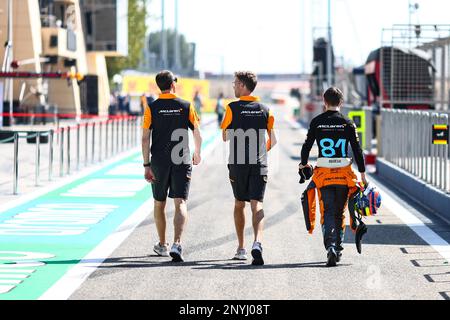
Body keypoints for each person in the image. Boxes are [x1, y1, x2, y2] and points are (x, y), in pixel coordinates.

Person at [299, 87, 367, 267]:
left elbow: (306, 146)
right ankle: (339, 247)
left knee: (327, 211)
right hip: (344, 174)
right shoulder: (348, 123)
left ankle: (330, 247)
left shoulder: (317, 121)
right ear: (341, 102)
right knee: (340, 213)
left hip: (324, 174)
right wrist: (362, 174)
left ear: (324, 101)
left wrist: (303, 164)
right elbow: (358, 151)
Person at [142, 70, 202, 262]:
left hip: (159, 160)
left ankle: (162, 244)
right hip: (181, 159)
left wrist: (146, 165)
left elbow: (145, 138)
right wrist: (197, 152)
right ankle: (177, 243)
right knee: (180, 202)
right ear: (173, 85)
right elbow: (197, 133)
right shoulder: (186, 105)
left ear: (159, 86)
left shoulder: (152, 107)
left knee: (159, 203)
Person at [221, 71, 277, 266]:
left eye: (235, 83)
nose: (234, 86)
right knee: (257, 204)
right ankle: (258, 242)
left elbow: (225, 137)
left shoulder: (232, 108)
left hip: (237, 162)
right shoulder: (265, 108)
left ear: (243, 86)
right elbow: (273, 140)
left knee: (239, 203)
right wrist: (261, 151)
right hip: (259, 162)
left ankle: (241, 248)